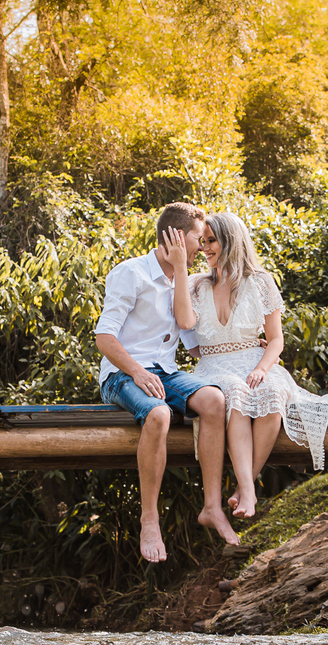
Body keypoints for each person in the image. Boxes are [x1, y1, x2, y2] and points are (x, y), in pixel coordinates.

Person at [164, 211, 328, 519]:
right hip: (213, 365)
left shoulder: (260, 282)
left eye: (212, 241)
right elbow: (185, 322)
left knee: (272, 393)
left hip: (255, 360)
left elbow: (275, 340)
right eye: (202, 241)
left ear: (231, 240)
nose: (205, 248)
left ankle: (245, 487)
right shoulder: (194, 284)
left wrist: (261, 368)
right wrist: (179, 270)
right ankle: (248, 489)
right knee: (235, 393)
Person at [94, 202, 240, 562]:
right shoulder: (131, 273)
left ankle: (211, 506)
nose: (203, 246)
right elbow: (104, 337)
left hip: (166, 372)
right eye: (197, 237)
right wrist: (137, 372)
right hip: (122, 374)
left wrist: (251, 343)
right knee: (158, 415)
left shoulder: (184, 282)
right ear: (174, 236)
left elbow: (194, 345)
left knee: (214, 402)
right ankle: (149, 519)